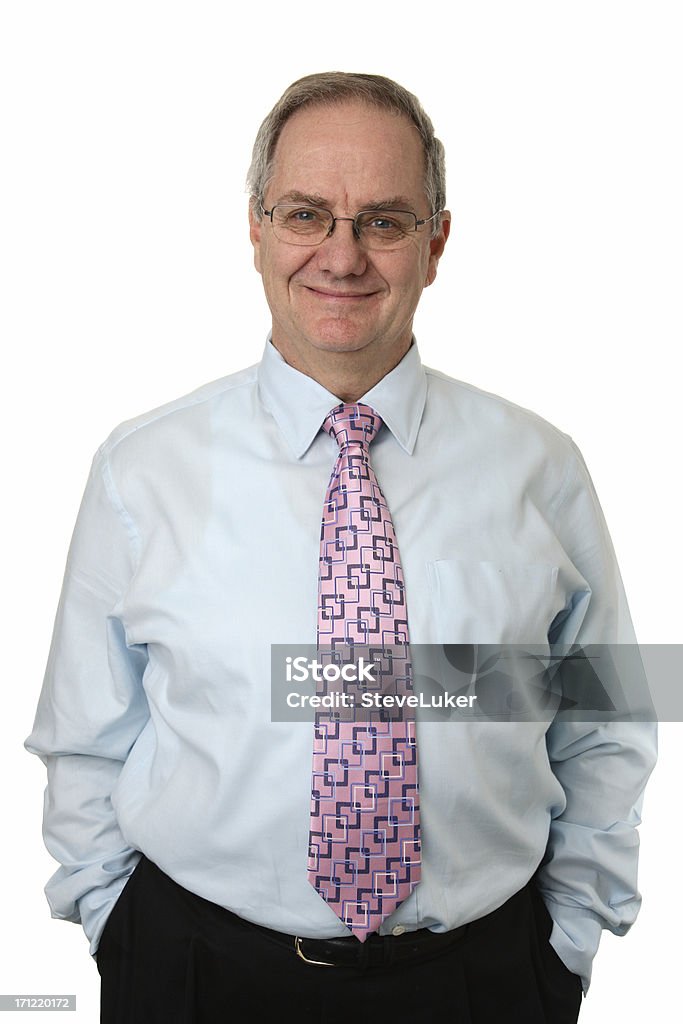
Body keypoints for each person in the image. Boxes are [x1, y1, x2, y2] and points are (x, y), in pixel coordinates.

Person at [26, 72, 657, 1023]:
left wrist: (564, 941)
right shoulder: (140, 469)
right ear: (254, 228)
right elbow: (85, 736)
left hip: (482, 979)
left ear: (436, 242)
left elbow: (607, 717)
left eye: (385, 220)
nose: (342, 255)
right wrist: (116, 924)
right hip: (195, 971)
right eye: (306, 213)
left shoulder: (542, 467)